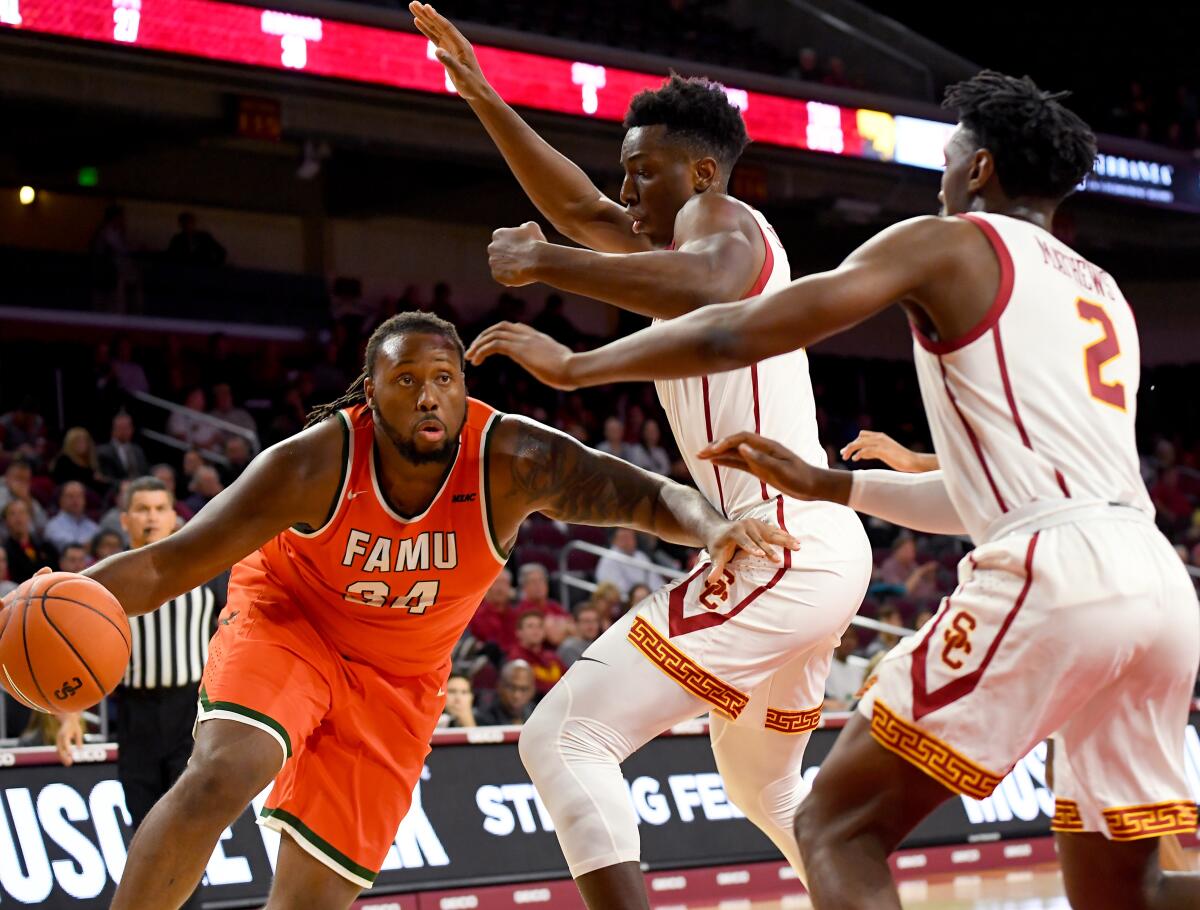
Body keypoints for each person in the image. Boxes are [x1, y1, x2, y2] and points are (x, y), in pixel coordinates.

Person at [467, 70, 1200, 909]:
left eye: (949, 156)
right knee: (1125, 894)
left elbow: (730, 319)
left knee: (605, 751)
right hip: (1153, 580)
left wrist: (576, 364)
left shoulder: (932, 240)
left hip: (858, 553)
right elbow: (995, 490)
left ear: (981, 167)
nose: (940, 174)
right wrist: (830, 482)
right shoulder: (1099, 291)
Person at [24, 311, 788, 910]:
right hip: (291, 623)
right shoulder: (311, 462)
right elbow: (168, 560)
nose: (429, 395)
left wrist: (713, 526)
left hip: (400, 678)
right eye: (406, 380)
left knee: (312, 900)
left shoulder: (513, 459)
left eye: (446, 378)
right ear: (369, 391)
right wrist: (45, 602)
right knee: (228, 768)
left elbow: (646, 492)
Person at [416, 7, 871, 901]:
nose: (624, 192)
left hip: (782, 543)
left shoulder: (722, 221)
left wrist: (549, 269)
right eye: (625, 171)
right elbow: (579, 207)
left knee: (563, 737)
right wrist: (482, 95)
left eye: (642, 172)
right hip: (802, 545)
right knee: (769, 788)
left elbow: (694, 283)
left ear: (700, 173)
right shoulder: (674, 234)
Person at [57, 476, 224, 910]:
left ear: (174, 516)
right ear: (126, 518)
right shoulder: (107, 582)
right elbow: (75, 652)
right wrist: (70, 714)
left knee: (187, 831)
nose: (151, 516)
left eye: (159, 508)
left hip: (190, 712)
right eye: (143, 509)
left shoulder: (208, 573)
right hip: (136, 714)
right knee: (145, 830)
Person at [593, 527, 671, 597]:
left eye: (631, 537)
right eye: (624, 538)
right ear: (615, 540)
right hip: (627, 602)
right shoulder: (609, 558)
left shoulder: (641, 556)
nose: (628, 541)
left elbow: (655, 581)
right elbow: (617, 590)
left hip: (647, 599)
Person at [506, 610, 565, 696]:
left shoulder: (552, 657)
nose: (536, 630)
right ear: (519, 633)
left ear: (544, 632)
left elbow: (570, 679)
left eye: (539, 626)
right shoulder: (516, 658)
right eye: (530, 626)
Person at [2, 499, 56, 582]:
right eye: (12, 514)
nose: (18, 517)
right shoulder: (4, 552)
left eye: (22, 512)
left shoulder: (45, 547)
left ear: (29, 517)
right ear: (5, 521)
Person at [474, 661, 537, 727]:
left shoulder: (538, 715)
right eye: (511, 687)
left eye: (524, 689)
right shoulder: (483, 718)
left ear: (533, 690)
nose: (516, 695)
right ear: (499, 686)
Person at [44, 482, 101, 552]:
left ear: (84, 500)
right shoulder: (53, 526)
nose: (75, 500)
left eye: (79, 496)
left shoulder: (92, 526)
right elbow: (72, 549)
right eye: (70, 496)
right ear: (61, 500)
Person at [98, 411, 150, 481]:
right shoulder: (103, 452)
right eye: (121, 428)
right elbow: (106, 478)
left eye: (128, 427)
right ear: (113, 429)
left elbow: (145, 472)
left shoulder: (138, 450)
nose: (125, 431)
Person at [0, 458, 49, 534]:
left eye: (26, 480)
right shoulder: (2, 491)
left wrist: (27, 501)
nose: (22, 483)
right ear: (7, 477)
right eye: (18, 479)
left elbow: (42, 525)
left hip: (27, 541)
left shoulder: (29, 498)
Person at [823, 626, 863, 711]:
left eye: (852, 637)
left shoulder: (858, 670)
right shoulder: (825, 666)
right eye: (844, 637)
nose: (848, 642)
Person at [558, 602, 604, 668]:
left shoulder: (595, 643)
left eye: (595, 620)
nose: (592, 625)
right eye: (586, 621)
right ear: (575, 623)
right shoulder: (569, 648)